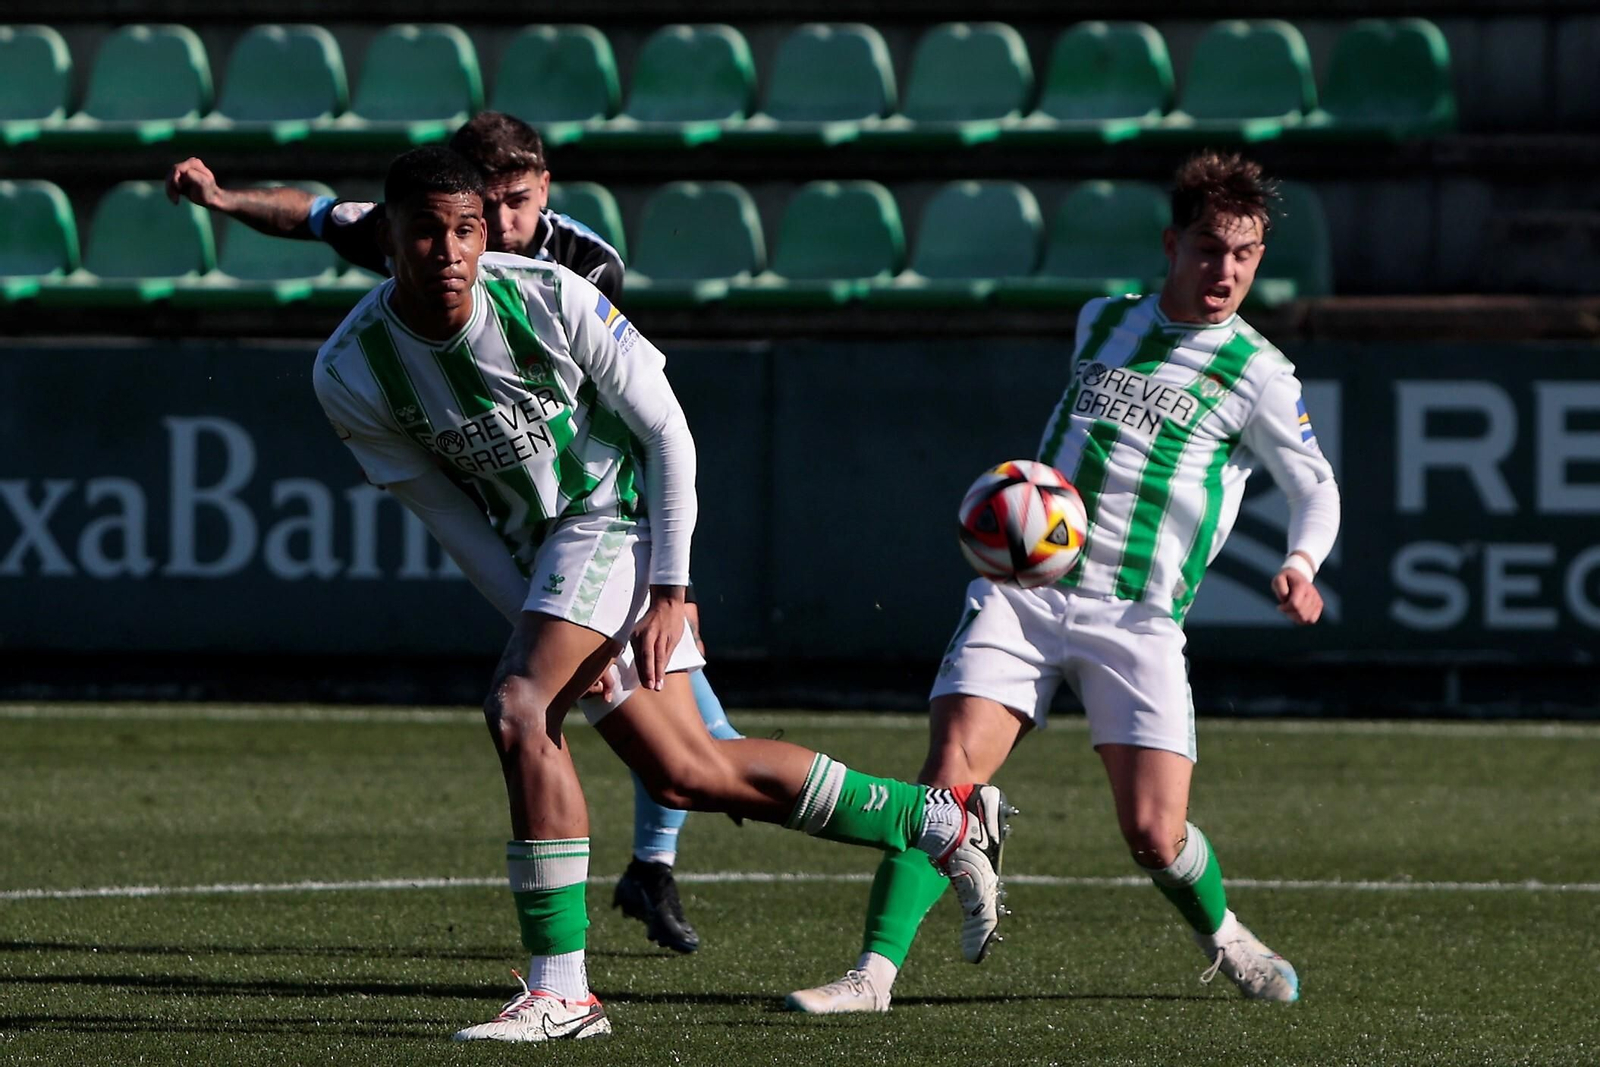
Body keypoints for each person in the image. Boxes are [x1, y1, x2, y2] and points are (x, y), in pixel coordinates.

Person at [312, 147, 1014, 1043]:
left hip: (621, 522)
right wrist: (548, 622)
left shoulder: (552, 297)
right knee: (686, 771)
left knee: (520, 708)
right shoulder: (352, 369)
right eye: (426, 232)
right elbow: (451, 519)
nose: (449, 251)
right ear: (390, 238)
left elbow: (666, 430)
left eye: (466, 230)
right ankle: (940, 819)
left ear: (486, 232)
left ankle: (562, 991)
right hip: (555, 566)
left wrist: (672, 589)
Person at [786, 150, 1341, 1014]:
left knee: (1155, 835)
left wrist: (1300, 564)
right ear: (1171, 243)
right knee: (945, 780)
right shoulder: (1101, 321)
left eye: (1245, 252)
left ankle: (1224, 935)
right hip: (1024, 591)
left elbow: (1315, 486)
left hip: (1139, 615)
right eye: (1208, 247)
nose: (1225, 269)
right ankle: (873, 976)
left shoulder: (1260, 373)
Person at [168, 111, 723, 955]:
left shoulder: (579, 266)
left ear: (546, 192)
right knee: (679, 749)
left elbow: (617, 415)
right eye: (481, 207)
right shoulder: (417, 239)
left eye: (515, 203)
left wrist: (662, 574)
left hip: (600, 514)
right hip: (525, 528)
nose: (496, 228)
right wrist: (219, 198)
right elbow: (313, 213)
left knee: (688, 743)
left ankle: (647, 871)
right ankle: (904, 825)